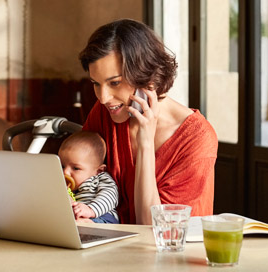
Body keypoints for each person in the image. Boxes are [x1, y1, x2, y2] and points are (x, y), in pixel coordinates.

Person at [78, 19, 218, 225]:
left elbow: (154, 230)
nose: (103, 98)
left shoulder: (196, 138)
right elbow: (80, 186)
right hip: (111, 249)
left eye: (115, 83)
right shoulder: (104, 112)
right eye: (96, 84)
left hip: (169, 253)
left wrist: (145, 144)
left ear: (147, 77)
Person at [58, 131, 119, 224]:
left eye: (76, 168)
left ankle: (88, 224)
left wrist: (91, 210)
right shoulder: (62, 184)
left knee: (88, 223)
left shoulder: (100, 179)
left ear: (98, 171)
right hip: (76, 219)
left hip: (102, 217)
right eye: (62, 166)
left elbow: (110, 196)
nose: (65, 172)